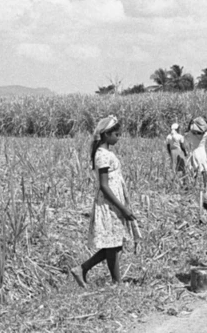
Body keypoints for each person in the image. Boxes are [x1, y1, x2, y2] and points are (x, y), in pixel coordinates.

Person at [71, 115, 139, 287]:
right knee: (113, 244)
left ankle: (84, 269)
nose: (119, 137)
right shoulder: (102, 155)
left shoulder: (106, 152)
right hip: (109, 203)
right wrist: (121, 208)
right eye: (116, 134)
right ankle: (114, 280)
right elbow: (104, 185)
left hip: (113, 202)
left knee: (114, 243)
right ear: (106, 134)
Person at [186, 117, 207, 189]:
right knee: (204, 169)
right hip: (202, 152)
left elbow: (188, 130)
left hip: (195, 152)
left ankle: (195, 184)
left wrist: (191, 122)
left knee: (195, 169)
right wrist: (205, 122)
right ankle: (205, 184)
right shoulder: (205, 135)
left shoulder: (191, 134)